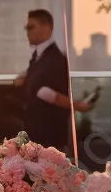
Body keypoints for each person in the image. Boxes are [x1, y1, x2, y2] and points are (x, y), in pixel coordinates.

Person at [14, 8, 93, 152]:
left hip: (48, 134)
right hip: (37, 131)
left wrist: (75, 105)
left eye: (31, 27)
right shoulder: (40, 57)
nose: (27, 32)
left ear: (46, 27)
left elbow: (46, 93)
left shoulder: (54, 59)